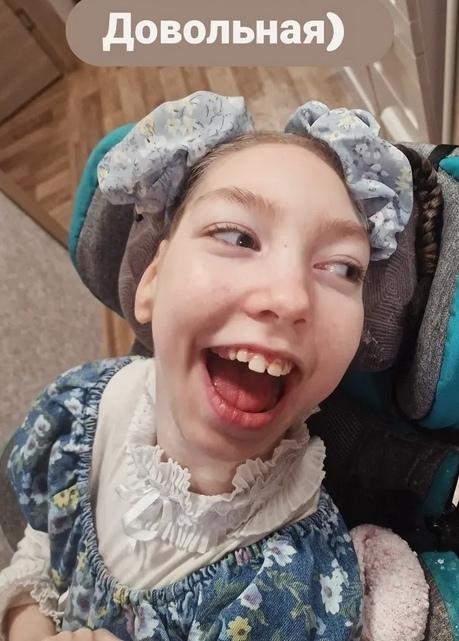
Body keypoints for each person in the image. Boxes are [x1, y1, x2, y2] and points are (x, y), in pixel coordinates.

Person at [0, 93, 429, 641]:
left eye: (342, 267)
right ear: (152, 280)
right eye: (237, 237)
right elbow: (42, 540)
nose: (289, 298)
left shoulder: (295, 592)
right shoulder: (79, 410)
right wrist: (26, 621)